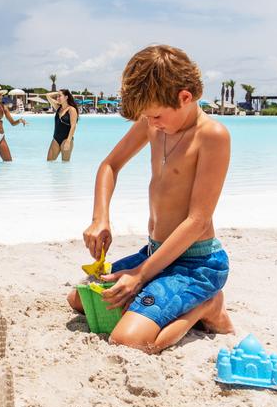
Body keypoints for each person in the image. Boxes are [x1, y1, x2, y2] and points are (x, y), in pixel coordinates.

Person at [67, 45, 234, 353]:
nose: (151, 123)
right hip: (155, 253)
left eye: (156, 115)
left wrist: (140, 275)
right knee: (80, 299)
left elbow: (197, 222)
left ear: (184, 97)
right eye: (147, 117)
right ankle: (155, 294)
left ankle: (207, 307)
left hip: (196, 263)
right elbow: (109, 166)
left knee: (127, 340)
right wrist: (100, 217)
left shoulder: (212, 136)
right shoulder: (152, 123)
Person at [44, 88, 79, 161]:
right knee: (49, 162)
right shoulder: (58, 108)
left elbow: (73, 126)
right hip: (56, 139)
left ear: (66, 97)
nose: (57, 98)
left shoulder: (71, 110)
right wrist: (58, 92)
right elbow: (47, 95)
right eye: (57, 96)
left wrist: (68, 141)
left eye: (60, 96)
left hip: (66, 139)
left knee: (65, 165)